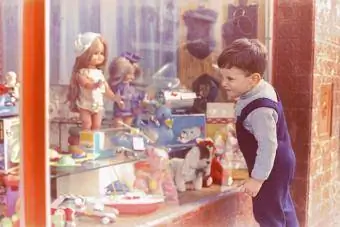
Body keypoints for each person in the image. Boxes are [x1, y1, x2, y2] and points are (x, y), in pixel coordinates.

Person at [217, 38, 299, 227]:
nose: (224, 83)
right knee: (281, 208)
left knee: (268, 215)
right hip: (281, 161)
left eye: (230, 79)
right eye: (223, 77)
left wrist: (257, 179)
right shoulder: (258, 89)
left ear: (254, 78)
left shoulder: (260, 110)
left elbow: (268, 146)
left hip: (271, 167)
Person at [66, 32, 122, 130]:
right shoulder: (81, 72)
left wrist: (114, 98)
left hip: (97, 105)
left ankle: (94, 144)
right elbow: (86, 84)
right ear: (84, 54)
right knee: (87, 124)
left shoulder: (99, 73)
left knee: (97, 126)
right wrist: (94, 85)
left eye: (102, 53)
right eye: (95, 53)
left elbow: (105, 89)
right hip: (85, 104)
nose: (99, 56)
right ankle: (85, 143)